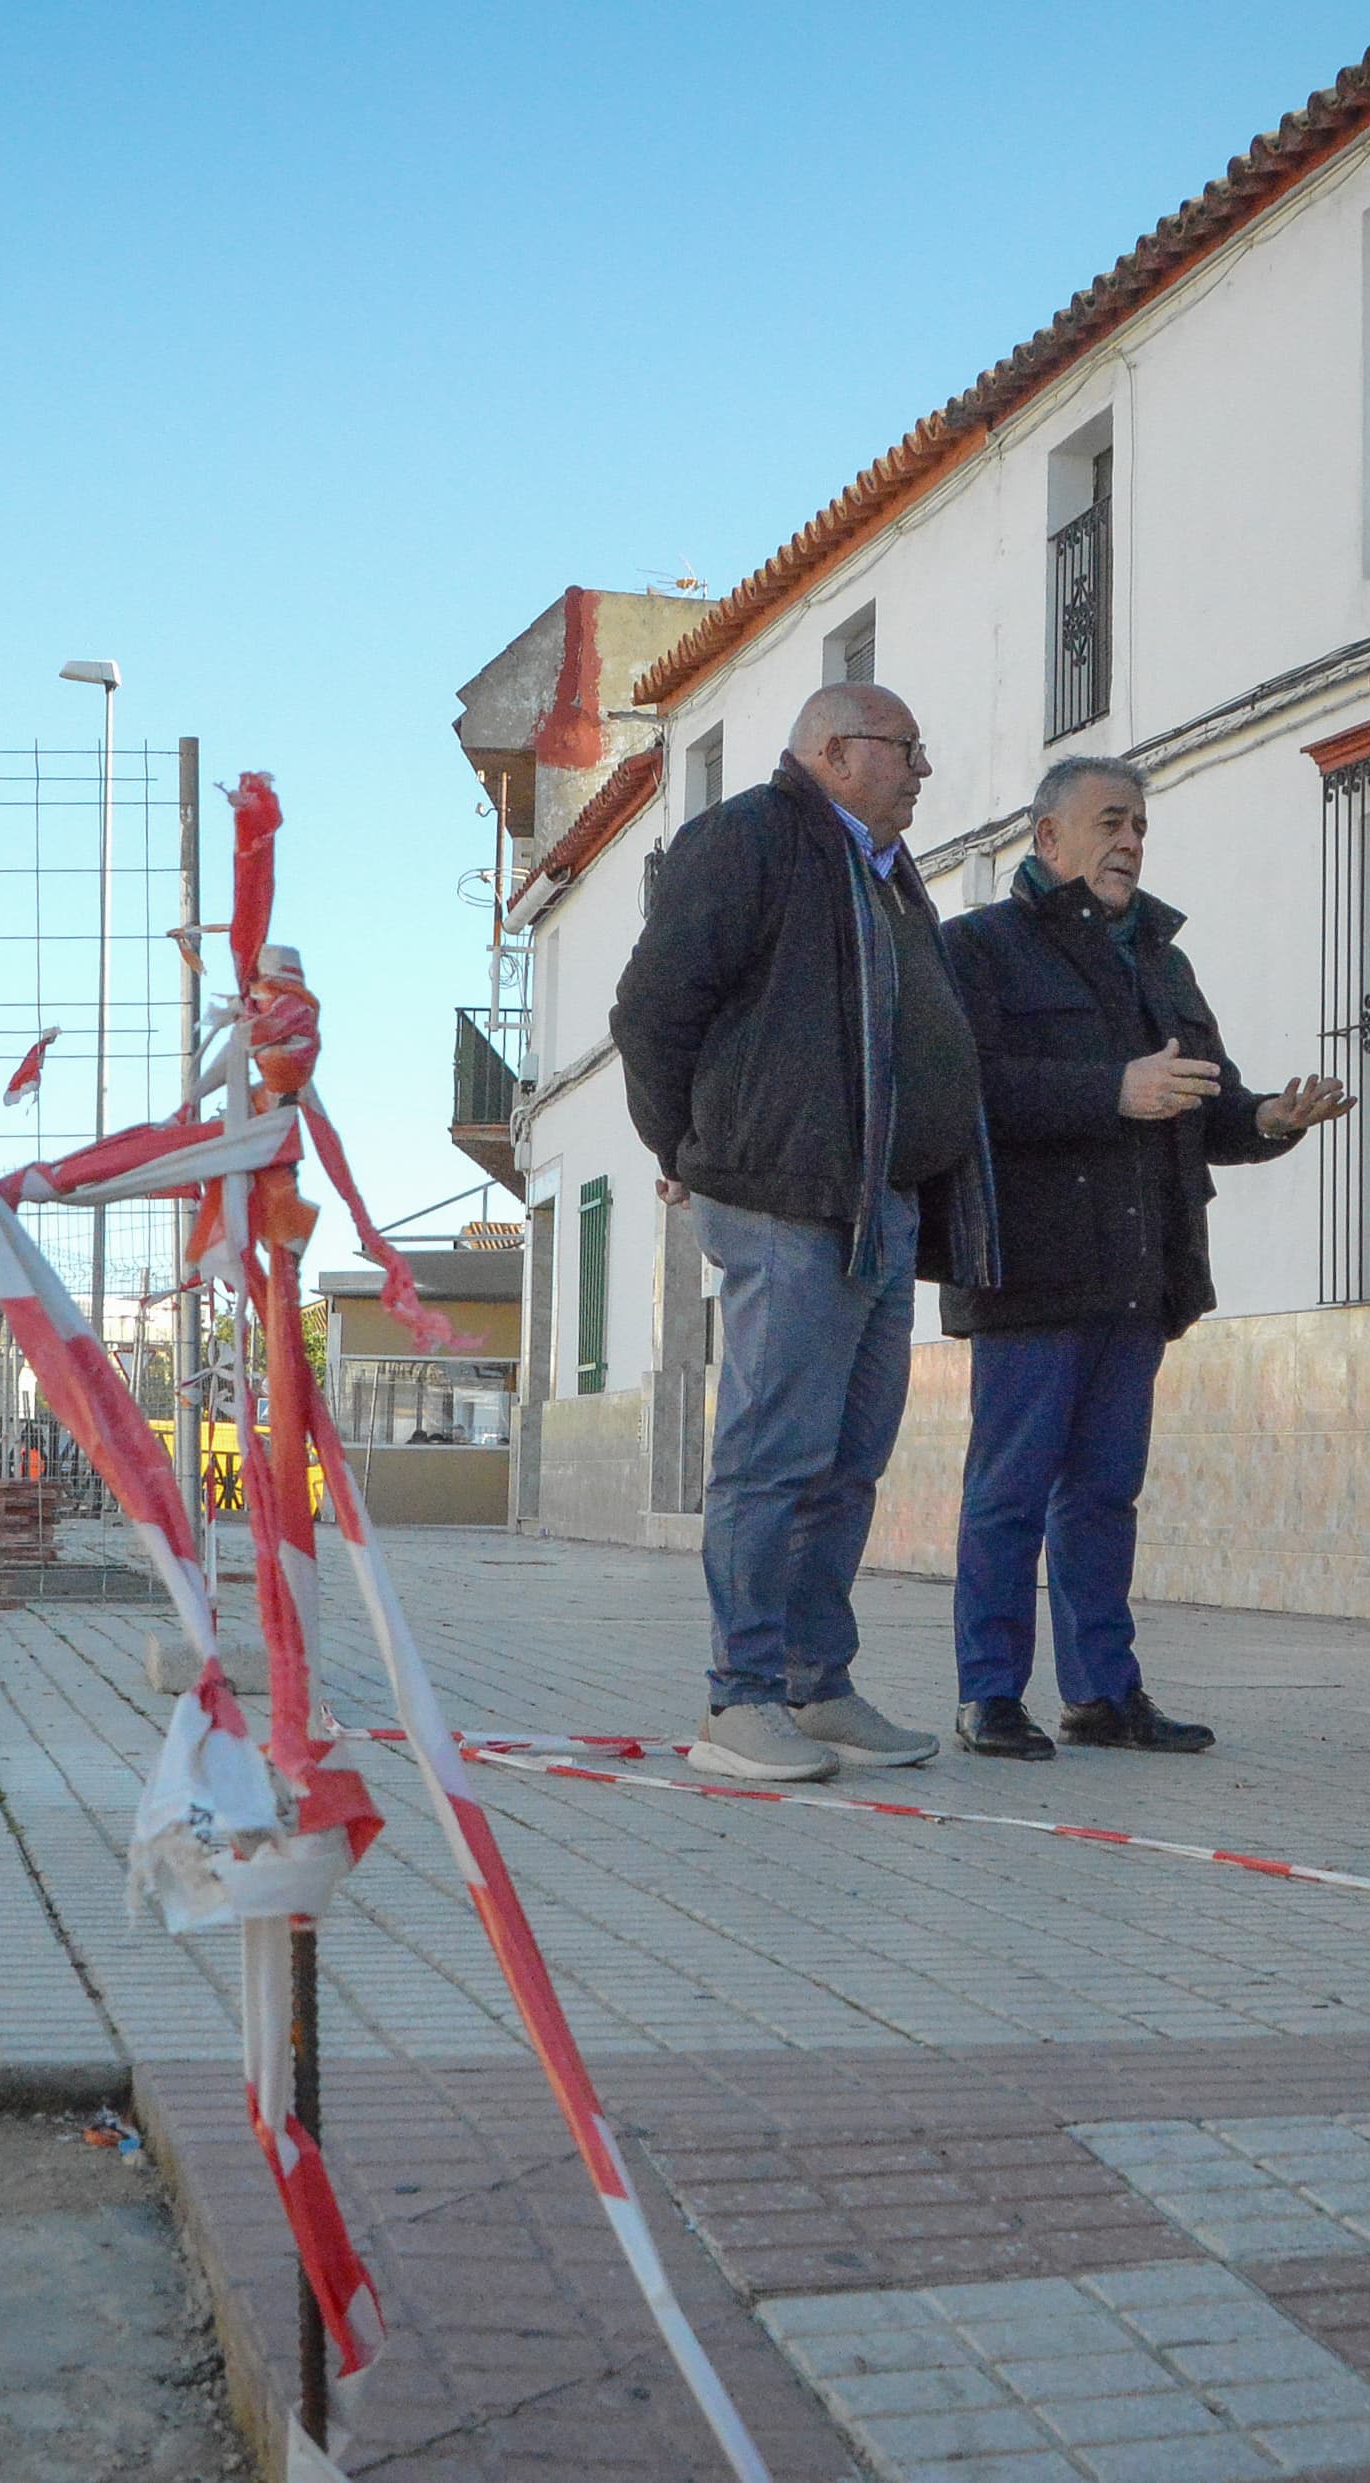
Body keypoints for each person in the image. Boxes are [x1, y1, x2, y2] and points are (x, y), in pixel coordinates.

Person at [614, 680, 999, 1783]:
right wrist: (685, 1146)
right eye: (905, 748)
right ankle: (738, 1701)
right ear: (833, 751)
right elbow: (651, 1011)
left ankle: (814, 1684)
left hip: (877, 1206)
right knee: (772, 1457)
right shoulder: (748, 840)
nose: (923, 769)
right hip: (785, 1200)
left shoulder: (883, 873)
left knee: (848, 1461)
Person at [937, 758, 1349, 1759]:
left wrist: (1269, 1117)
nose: (1130, 842)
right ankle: (990, 1694)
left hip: (1139, 1271)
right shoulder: (979, 948)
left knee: (1104, 1494)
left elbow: (1206, 1106)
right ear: (1048, 837)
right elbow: (966, 1093)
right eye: (1111, 822)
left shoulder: (1163, 960)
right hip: (1030, 1270)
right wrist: (1108, 1090)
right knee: (1010, 1491)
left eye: (1141, 828)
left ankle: (1102, 1694)